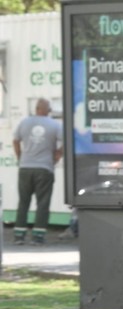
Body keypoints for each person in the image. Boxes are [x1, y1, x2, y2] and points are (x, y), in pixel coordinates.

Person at [13, 98, 63, 245]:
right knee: (43, 202)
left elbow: (15, 140)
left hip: (25, 168)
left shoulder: (24, 122)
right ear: (47, 110)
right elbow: (65, 142)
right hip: (44, 168)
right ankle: (38, 236)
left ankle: (19, 236)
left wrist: (20, 157)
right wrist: (58, 154)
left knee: (23, 201)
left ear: (36, 108)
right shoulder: (55, 125)